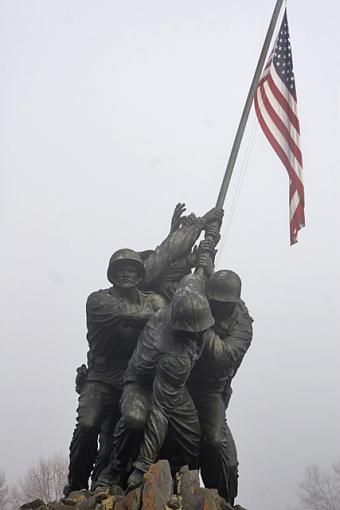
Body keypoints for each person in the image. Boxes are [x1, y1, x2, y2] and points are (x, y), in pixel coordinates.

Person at [96, 271, 215, 491]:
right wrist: (142, 467)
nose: (201, 333)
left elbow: (194, 278)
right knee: (134, 419)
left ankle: (181, 487)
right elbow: (160, 412)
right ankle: (115, 469)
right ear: (184, 330)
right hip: (141, 383)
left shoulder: (184, 296)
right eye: (197, 330)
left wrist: (204, 265)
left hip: (173, 385)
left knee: (191, 439)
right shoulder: (173, 356)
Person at [63, 249, 166, 496]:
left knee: (135, 421)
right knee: (88, 425)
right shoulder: (98, 300)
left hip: (134, 377)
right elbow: (130, 314)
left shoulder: (152, 300)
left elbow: (166, 322)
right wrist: (154, 316)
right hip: (101, 375)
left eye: (131, 269)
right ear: (112, 275)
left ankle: (111, 476)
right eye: (121, 269)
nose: (126, 273)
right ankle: (76, 487)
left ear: (140, 274)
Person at [187, 269, 253, 506]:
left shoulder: (243, 325)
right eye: (215, 302)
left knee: (217, 442)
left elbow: (223, 356)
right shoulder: (199, 298)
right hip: (178, 383)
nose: (220, 307)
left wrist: (201, 322)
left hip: (210, 391)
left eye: (226, 303)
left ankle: (223, 500)